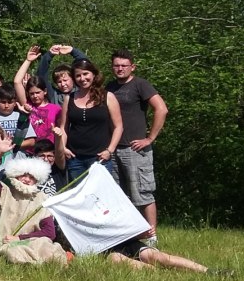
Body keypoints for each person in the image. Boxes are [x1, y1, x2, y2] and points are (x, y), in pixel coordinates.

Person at [106, 50, 167, 244]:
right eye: (116, 65)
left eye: (124, 65)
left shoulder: (140, 84)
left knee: (142, 193)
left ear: (132, 67)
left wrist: (150, 138)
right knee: (119, 195)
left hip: (135, 150)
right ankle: (126, 235)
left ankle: (152, 236)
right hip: (113, 149)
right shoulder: (109, 87)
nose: (120, 68)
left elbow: (161, 109)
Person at [0, 156, 69, 266]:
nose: (27, 180)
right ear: (16, 175)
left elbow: (50, 232)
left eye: (31, 177)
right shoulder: (5, 193)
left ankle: (49, 262)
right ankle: (33, 265)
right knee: (13, 253)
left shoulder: (42, 198)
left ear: (37, 179)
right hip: (10, 243)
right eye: (23, 175)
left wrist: (20, 238)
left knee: (47, 247)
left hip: (32, 241)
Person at [58, 59, 123, 181]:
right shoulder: (69, 98)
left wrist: (110, 150)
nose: (82, 78)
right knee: (79, 193)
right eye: (78, 75)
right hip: (75, 159)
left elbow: (118, 126)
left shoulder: (107, 96)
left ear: (93, 74)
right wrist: (63, 148)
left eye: (85, 74)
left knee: (101, 192)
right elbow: (63, 127)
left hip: (100, 158)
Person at [13, 46, 62, 148]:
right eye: (32, 93)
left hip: (49, 151)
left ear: (45, 91)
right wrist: (28, 61)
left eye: (38, 92)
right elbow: (17, 82)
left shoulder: (56, 109)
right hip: (30, 151)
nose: (35, 96)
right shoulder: (27, 105)